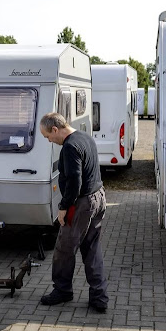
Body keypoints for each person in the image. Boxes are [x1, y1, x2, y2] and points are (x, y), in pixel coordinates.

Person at [38, 112, 109, 313]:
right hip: (98, 196)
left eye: (48, 136)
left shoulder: (69, 147)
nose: (49, 141)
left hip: (82, 204)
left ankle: (62, 291)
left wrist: (63, 208)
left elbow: (75, 182)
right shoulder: (85, 137)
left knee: (63, 249)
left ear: (55, 129)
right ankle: (99, 298)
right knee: (92, 249)